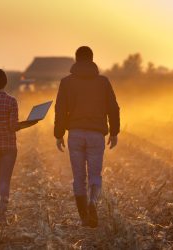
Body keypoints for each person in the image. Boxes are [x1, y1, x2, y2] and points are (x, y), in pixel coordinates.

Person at [54, 46, 120, 228]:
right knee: (95, 175)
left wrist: (59, 134)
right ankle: (92, 204)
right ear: (92, 59)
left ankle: (84, 216)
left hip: (75, 134)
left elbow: (60, 110)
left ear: (76, 59)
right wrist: (114, 132)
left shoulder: (66, 82)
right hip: (96, 135)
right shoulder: (103, 82)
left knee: (78, 177)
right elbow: (113, 108)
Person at [0, 69, 37, 224]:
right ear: (5, 82)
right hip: (8, 146)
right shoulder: (11, 101)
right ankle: (3, 217)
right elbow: (13, 126)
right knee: (5, 180)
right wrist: (29, 123)